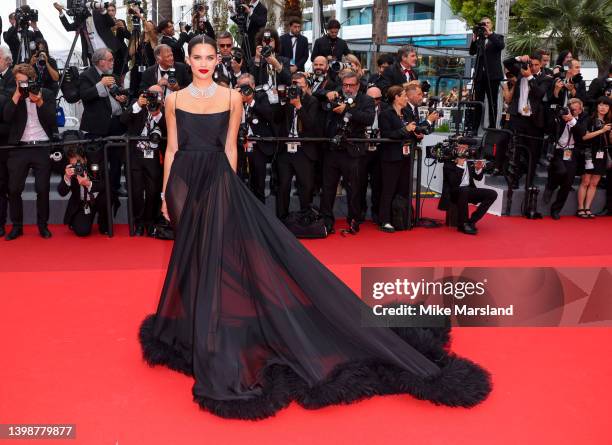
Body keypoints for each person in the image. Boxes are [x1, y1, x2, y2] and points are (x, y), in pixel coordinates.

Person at [139, 34, 491, 421]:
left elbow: (230, 149)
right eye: (197, 57)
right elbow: (171, 149)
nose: (204, 62)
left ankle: (211, 329)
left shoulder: (230, 97)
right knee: (192, 253)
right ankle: (196, 323)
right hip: (183, 182)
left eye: (209, 57)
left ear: (215, 61)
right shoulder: (173, 100)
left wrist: (232, 186)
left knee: (218, 254)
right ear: (188, 60)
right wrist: (163, 196)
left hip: (219, 182)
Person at [3, 63, 57, 241]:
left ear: (32, 79)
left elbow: (52, 120)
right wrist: (17, 95)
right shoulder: (13, 95)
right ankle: (17, 226)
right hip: (19, 148)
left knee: (43, 189)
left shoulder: (46, 93)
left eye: (25, 82)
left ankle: (43, 226)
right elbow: (6, 117)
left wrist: (39, 102)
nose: (23, 85)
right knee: (14, 189)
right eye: (19, 82)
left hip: (41, 146)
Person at [438, 144, 498, 235]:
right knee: (463, 190)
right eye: (461, 148)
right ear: (456, 149)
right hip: (453, 192)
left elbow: (478, 178)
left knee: (492, 194)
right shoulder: (449, 162)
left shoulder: (470, 160)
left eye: (466, 148)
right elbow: (454, 183)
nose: (464, 150)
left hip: (468, 190)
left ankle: (471, 221)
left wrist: (478, 169)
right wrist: (459, 166)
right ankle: (462, 224)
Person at [543, 99, 587, 219]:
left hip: (572, 152)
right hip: (557, 150)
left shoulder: (582, 119)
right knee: (561, 171)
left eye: (575, 110)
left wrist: (572, 120)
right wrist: (558, 116)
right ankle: (551, 185)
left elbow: (582, 132)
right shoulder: (560, 117)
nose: (573, 111)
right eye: (571, 109)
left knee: (568, 183)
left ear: (580, 110)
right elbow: (549, 128)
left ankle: (556, 209)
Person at [58, 147, 108, 236]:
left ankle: (103, 222)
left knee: (106, 196)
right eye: (73, 165)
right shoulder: (69, 170)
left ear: (85, 159)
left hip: (99, 199)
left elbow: (107, 185)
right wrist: (67, 178)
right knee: (82, 231)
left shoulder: (96, 164)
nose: (77, 167)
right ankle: (79, 219)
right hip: (83, 203)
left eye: (78, 162)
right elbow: (62, 192)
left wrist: (88, 183)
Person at [468, 17, 504, 132]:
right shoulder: (480, 39)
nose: (486, 25)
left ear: (491, 25)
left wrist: (490, 34)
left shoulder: (498, 37)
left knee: (492, 102)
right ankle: (474, 128)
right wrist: (474, 39)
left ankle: (492, 127)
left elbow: (500, 46)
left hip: (493, 76)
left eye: (488, 23)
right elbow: (472, 52)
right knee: (478, 102)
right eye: (484, 23)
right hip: (480, 75)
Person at [578, 96, 612, 218]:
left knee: (594, 183)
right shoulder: (589, 119)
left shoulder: (609, 122)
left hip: (602, 154)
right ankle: (580, 208)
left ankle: (588, 208)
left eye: (606, 106)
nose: (603, 108)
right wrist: (602, 130)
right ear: (597, 106)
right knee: (585, 181)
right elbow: (584, 137)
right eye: (601, 105)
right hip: (589, 153)